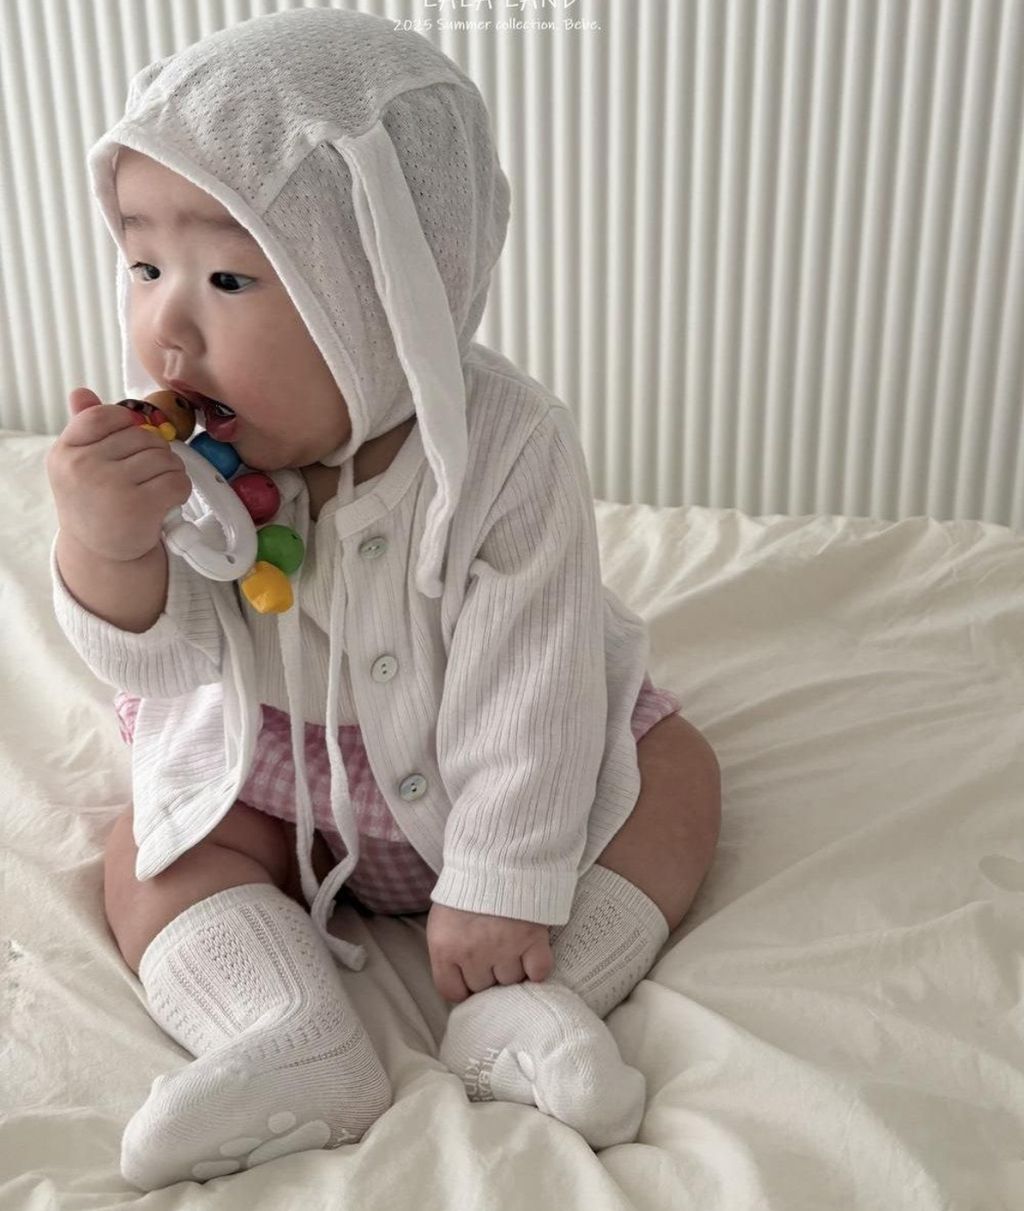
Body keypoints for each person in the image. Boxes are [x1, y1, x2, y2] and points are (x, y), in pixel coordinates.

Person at [45, 7, 721, 1192]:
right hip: (269, 773)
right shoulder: (191, 461)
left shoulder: (504, 446)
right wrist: (107, 545)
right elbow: (162, 664)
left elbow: (534, 675)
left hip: (483, 770)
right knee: (146, 851)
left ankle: (528, 1001)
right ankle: (287, 1031)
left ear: (391, 294)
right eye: (144, 267)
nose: (167, 329)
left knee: (675, 778)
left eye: (230, 276)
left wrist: (502, 884)